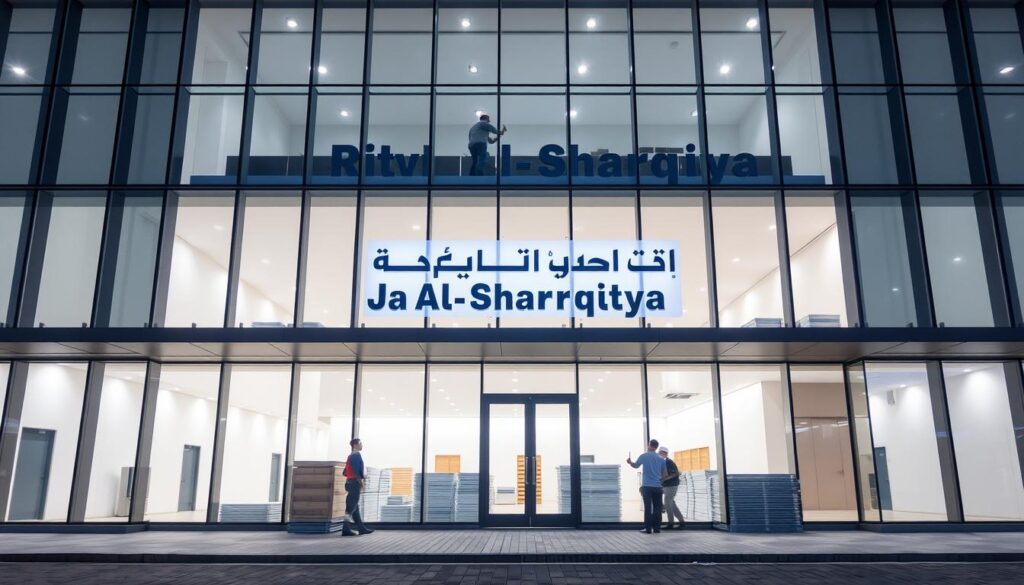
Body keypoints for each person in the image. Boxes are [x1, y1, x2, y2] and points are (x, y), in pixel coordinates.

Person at [627, 438, 668, 534]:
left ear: (649, 445)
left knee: (648, 508)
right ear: (656, 447)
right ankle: (657, 529)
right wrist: (659, 481)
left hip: (646, 487)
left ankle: (648, 529)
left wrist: (630, 462)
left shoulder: (644, 456)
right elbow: (665, 475)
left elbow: (635, 466)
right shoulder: (661, 459)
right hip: (658, 487)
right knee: (658, 508)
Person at [341, 437, 374, 536]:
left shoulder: (350, 455)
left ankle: (361, 528)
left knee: (355, 507)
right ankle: (345, 529)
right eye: (360, 443)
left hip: (350, 482)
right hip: (354, 483)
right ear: (355, 445)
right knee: (350, 508)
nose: (362, 445)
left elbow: (345, 472)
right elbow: (355, 470)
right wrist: (360, 482)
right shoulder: (356, 455)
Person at [658, 445, 685, 530]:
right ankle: (681, 522)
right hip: (667, 485)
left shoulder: (668, 462)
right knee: (672, 504)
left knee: (667, 503)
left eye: (660, 453)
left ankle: (670, 523)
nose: (658, 454)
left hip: (671, 485)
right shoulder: (663, 462)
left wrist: (663, 479)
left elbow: (676, 473)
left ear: (664, 453)